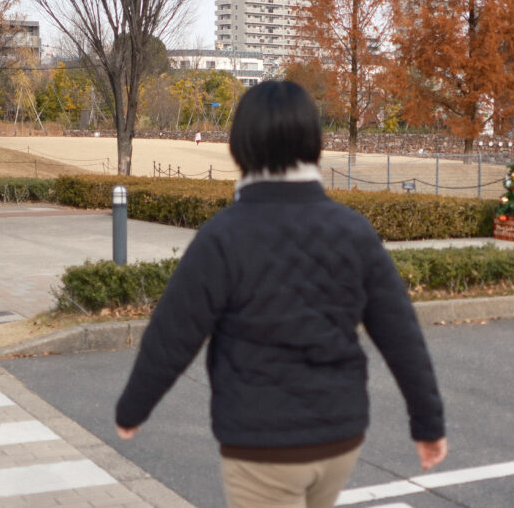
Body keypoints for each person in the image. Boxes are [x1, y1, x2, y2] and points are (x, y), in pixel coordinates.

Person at [115, 80, 447, 507]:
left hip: (260, 446)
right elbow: (402, 335)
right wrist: (428, 423)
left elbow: (173, 333)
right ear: (314, 141)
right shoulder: (353, 231)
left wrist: (133, 409)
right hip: (340, 438)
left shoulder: (223, 236)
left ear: (241, 145)